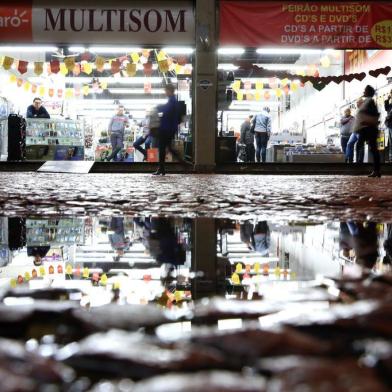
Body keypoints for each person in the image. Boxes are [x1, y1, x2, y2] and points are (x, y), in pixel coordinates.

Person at [352, 85, 381, 177]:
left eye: (365, 90)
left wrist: (366, 121)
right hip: (366, 129)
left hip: (369, 129)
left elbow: (375, 115)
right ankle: (375, 170)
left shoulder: (370, 102)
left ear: (368, 92)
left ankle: (360, 166)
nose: (363, 91)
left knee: (367, 147)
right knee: (370, 148)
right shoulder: (367, 101)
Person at [153, 84, 182, 176]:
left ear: (169, 91)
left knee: (162, 148)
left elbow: (167, 110)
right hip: (169, 128)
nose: (165, 92)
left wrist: (158, 107)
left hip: (167, 129)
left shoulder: (172, 101)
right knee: (166, 147)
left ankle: (181, 161)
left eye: (166, 90)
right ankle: (162, 168)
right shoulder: (172, 100)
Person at [346, 98, 364, 163]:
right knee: (349, 144)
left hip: (361, 131)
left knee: (360, 146)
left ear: (362, 103)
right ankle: (350, 160)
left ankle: (360, 162)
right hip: (355, 131)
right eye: (357, 102)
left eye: (358, 102)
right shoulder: (357, 110)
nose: (357, 104)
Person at [384, 90, 392, 162]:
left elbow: (390, 115)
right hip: (390, 125)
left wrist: (387, 118)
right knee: (390, 142)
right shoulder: (390, 104)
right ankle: (390, 158)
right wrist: (387, 99)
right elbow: (386, 108)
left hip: (390, 124)